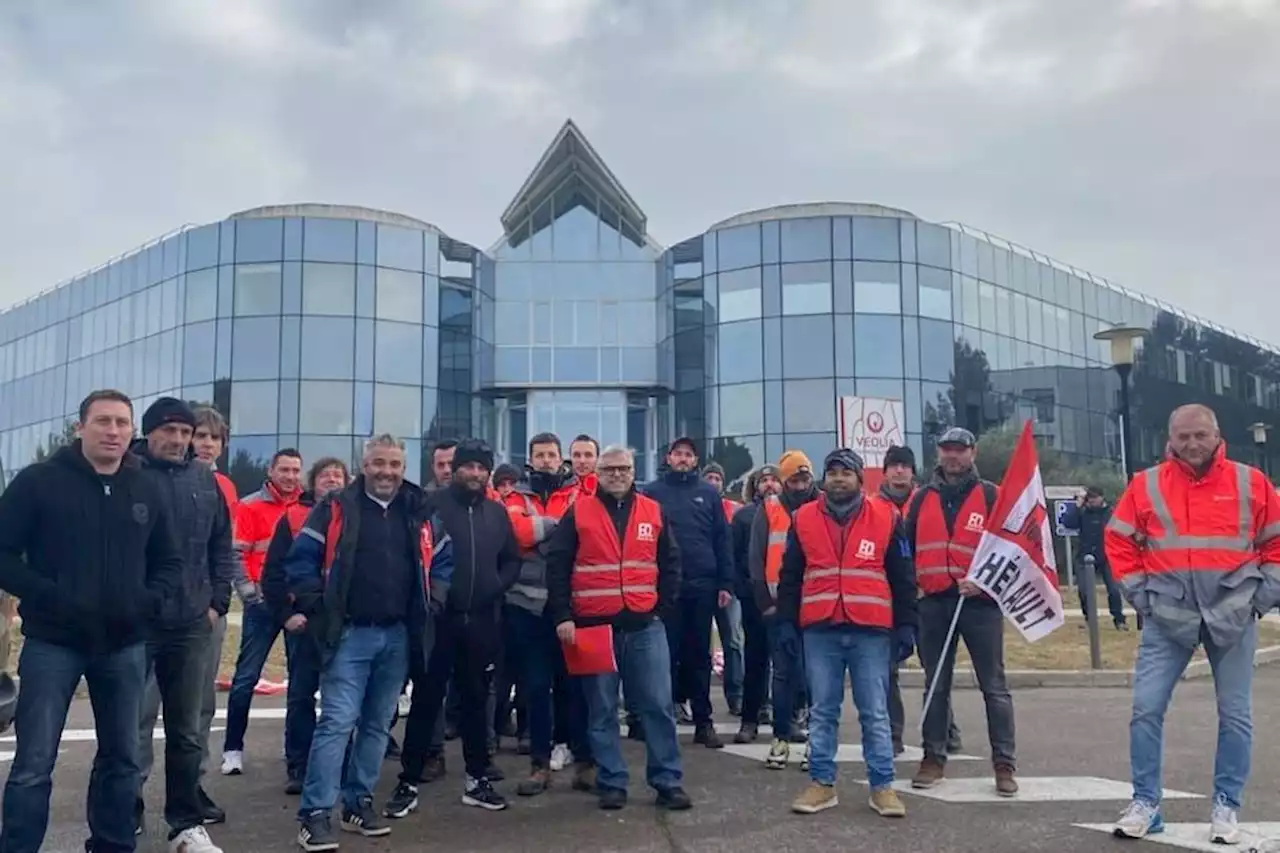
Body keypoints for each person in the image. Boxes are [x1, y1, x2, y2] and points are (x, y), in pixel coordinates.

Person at [0, 390, 184, 853]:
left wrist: (147, 601)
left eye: (122, 423)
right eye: (103, 421)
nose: (114, 431)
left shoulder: (146, 489)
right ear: (80, 427)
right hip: (52, 643)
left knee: (122, 758)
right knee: (34, 762)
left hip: (124, 645)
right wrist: (48, 594)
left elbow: (169, 560)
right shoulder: (39, 481)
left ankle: (112, 844)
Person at [1106, 404, 1280, 844]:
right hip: (1168, 615)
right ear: (1170, 437)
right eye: (1183, 436)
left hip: (1234, 614)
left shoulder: (1250, 482)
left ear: (1217, 434)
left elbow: (1277, 540)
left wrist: (1261, 598)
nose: (1192, 444)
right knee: (1145, 708)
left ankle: (1227, 806)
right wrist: (1141, 597)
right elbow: (1119, 539)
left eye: (1200, 435)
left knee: (1235, 715)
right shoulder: (1145, 485)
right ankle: (1146, 803)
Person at [286, 435, 436, 851]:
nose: (386, 471)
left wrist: (432, 600)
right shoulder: (335, 508)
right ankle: (315, 814)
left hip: (398, 635)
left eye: (394, 464)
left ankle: (357, 803)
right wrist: (320, 608)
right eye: (378, 463)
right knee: (336, 722)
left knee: (377, 724)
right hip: (349, 634)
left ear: (404, 468)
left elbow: (441, 558)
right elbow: (300, 562)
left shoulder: (416, 510)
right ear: (363, 465)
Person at [545, 444, 691, 812]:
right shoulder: (578, 512)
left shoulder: (653, 511)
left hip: (645, 626)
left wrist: (662, 608)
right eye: (609, 469)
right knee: (602, 710)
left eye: (623, 468)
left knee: (658, 706)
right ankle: (611, 781)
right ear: (599, 473)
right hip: (595, 629)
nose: (617, 475)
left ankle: (667, 781)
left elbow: (671, 563)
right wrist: (563, 615)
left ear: (633, 469)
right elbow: (558, 567)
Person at [388, 439, 522, 817]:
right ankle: (408, 781)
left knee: (477, 701)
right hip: (437, 621)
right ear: (455, 469)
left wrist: (497, 586)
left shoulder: (497, 514)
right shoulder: (431, 507)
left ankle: (477, 779)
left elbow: (513, 558)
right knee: (427, 702)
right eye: (468, 467)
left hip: (481, 621)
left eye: (482, 468)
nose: (475, 474)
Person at [778, 449, 914, 818]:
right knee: (822, 711)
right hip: (820, 630)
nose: (839, 479)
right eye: (832, 473)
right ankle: (822, 783)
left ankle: (882, 786)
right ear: (824, 479)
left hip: (871, 631)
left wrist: (906, 625)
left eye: (846, 473)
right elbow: (789, 577)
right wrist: (786, 623)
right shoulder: (803, 518)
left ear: (859, 479)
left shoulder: (887, 516)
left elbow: (903, 577)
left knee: (875, 712)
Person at [131, 398, 239, 852]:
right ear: (149, 432)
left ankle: (186, 822)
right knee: (131, 721)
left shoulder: (205, 482)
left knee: (188, 727)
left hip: (192, 621)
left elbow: (221, 545)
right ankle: (124, 808)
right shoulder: (126, 475)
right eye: (169, 431)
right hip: (136, 624)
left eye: (185, 432)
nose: (178, 440)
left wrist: (216, 602)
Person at [905, 428, 1015, 797]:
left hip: (980, 604)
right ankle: (933, 758)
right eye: (947, 449)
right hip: (934, 603)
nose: (953, 456)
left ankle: (1004, 764)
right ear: (938, 453)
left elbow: (1012, 550)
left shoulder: (991, 496)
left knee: (994, 687)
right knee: (935, 685)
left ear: (973, 452)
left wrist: (985, 584)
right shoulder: (921, 499)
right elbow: (907, 548)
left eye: (960, 450)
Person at [260, 457, 350, 795]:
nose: (331, 480)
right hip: (306, 624)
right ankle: (298, 763)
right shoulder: (294, 518)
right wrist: (286, 614)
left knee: (341, 698)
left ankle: (338, 763)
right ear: (312, 483)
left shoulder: (356, 516)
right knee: (300, 695)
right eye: (325, 475)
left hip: (343, 625)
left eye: (337, 475)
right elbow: (274, 572)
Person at [643, 438, 734, 749]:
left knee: (698, 657)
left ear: (695, 461)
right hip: (664, 588)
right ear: (668, 457)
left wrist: (725, 582)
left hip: (702, 585)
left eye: (688, 455)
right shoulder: (652, 493)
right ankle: (658, 719)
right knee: (663, 656)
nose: (682, 459)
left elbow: (722, 540)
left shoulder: (708, 494)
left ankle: (704, 722)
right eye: (677, 454)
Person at [877, 445, 962, 756]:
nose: (899, 471)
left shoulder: (930, 499)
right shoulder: (874, 507)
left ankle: (945, 728)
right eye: (894, 465)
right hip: (886, 599)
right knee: (887, 670)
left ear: (913, 471)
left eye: (905, 466)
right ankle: (892, 733)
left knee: (936, 668)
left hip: (927, 595)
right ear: (884, 471)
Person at [222, 448, 304, 775]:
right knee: (245, 679)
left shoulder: (306, 508)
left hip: (296, 603)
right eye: (284, 469)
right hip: (262, 604)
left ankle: (293, 748)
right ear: (271, 470)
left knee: (299, 681)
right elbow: (237, 555)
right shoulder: (250, 505)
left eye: (296, 470)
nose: (290, 476)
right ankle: (232, 749)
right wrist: (250, 595)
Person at [748, 450, 819, 768]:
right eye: (794, 477)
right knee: (783, 674)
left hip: (817, 605)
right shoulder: (769, 508)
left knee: (818, 676)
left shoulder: (825, 507)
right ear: (784, 480)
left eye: (805, 477)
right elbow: (756, 558)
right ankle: (780, 738)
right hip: (779, 608)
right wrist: (764, 603)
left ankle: (816, 741)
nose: (801, 483)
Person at [188, 405, 238, 786]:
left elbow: (225, 549)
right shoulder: (154, 476)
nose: (206, 444)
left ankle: (192, 787)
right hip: (159, 613)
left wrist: (219, 604)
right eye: (199, 435)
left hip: (207, 611)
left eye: (213, 438)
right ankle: (129, 798)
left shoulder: (225, 487)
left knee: (201, 703)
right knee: (142, 708)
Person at [733, 465, 781, 743]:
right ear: (755, 486)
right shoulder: (743, 517)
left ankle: (786, 720)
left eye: (775, 480)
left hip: (785, 600)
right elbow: (734, 556)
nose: (770, 485)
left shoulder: (790, 514)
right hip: (754, 601)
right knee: (755, 659)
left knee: (787, 663)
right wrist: (743, 589)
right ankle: (749, 719)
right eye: (764, 481)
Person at [701, 462, 745, 717]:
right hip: (703, 584)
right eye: (709, 477)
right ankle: (696, 699)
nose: (713, 481)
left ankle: (736, 695)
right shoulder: (695, 507)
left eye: (718, 477)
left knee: (734, 642)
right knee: (697, 645)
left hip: (729, 586)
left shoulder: (735, 510)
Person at [1062, 486, 1128, 630]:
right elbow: (1068, 523)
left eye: (1094, 498)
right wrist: (1077, 506)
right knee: (1084, 591)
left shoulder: (1111, 513)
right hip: (1084, 556)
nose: (1091, 502)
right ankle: (1089, 620)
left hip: (1107, 556)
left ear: (1101, 498)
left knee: (1114, 590)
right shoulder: (1083, 512)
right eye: (1089, 499)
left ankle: (1119, 620)